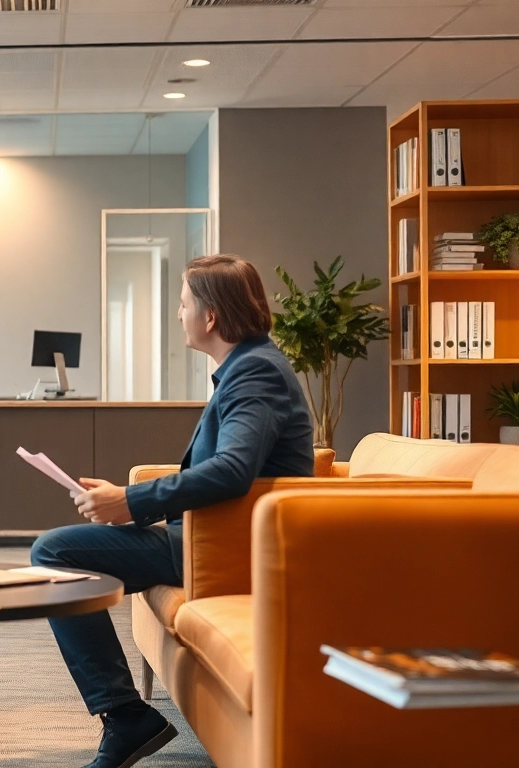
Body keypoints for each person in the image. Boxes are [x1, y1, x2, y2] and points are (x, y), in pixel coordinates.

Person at [31, 254, 314, 768]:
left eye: (183, 305)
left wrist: (130, 502)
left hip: (226, 548)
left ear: (211, 317)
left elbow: (231, 470)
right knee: (60, 551)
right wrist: (125, 497)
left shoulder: (254, 373)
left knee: (56, 552)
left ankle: (125, 717)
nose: (178, 315)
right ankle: (124, 715)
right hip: (211, 537)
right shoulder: (248, 367)